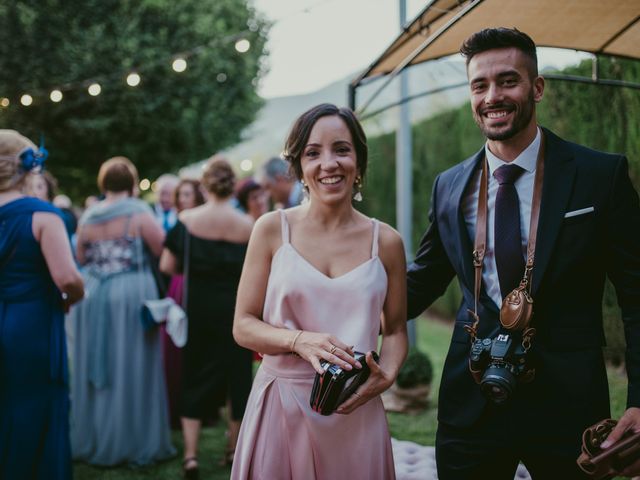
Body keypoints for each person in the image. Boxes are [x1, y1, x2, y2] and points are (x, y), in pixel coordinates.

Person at [406, 27, 640, 479]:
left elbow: (637, 291)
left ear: (537, 88)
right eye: (480, 85)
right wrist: (347, 305)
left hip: (570, 407)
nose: (493, 95)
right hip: (471, 403)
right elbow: (423, 280)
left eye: (508, 80)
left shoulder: (600, 176)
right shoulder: (448, 186)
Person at [231, 103, 408, 479]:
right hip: (281, 405)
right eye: (313, 153)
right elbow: (243, 325)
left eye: (341, 149)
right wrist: (298, 340)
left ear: (359, 162)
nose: (329, 163)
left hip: (355, 408)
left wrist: (387, 373)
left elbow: (394, 330)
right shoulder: (270, 230)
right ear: (298, 167)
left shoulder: (387, 242)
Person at [67, 156, 175, 466]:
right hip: (129, 294)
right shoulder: (139, 213)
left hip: (93, 293)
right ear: (131, 183)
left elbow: (81, 257)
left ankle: (96, 435)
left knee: (99, 365)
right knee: (131, 364)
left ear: (103, 183)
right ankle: (132, 439)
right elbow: (161, 249)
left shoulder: (89, 216)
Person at [160, 156, 254, 478]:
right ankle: (233, 450)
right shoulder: (249, 226)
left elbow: (166, 267)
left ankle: (190, 456)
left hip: (198, 308)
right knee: (238, 379)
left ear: (205, 185)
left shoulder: (187, 221)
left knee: (194, 376)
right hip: (236, 312)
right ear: (233, 185)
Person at [0, 129, 84, 479]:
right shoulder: (45, 216)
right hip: (31, 325)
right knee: (34, 405)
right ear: (29, 167)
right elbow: (67, 278)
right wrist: (72, 298)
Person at [162, 177, 205, 429]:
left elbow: (165, 264)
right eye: (181, 195)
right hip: (182, 286)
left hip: (189, 285)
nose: (182, 200)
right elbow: (166, 265)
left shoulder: (186, 223)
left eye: (187, 195)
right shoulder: (181, 224)